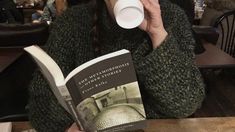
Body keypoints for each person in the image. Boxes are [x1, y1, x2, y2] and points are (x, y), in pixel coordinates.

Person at [28, 0, 205, 131]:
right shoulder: (72, 22)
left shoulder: (172, 17)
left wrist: (157, 33)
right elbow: (41, 101)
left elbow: (186, 105)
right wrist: (68, 126)